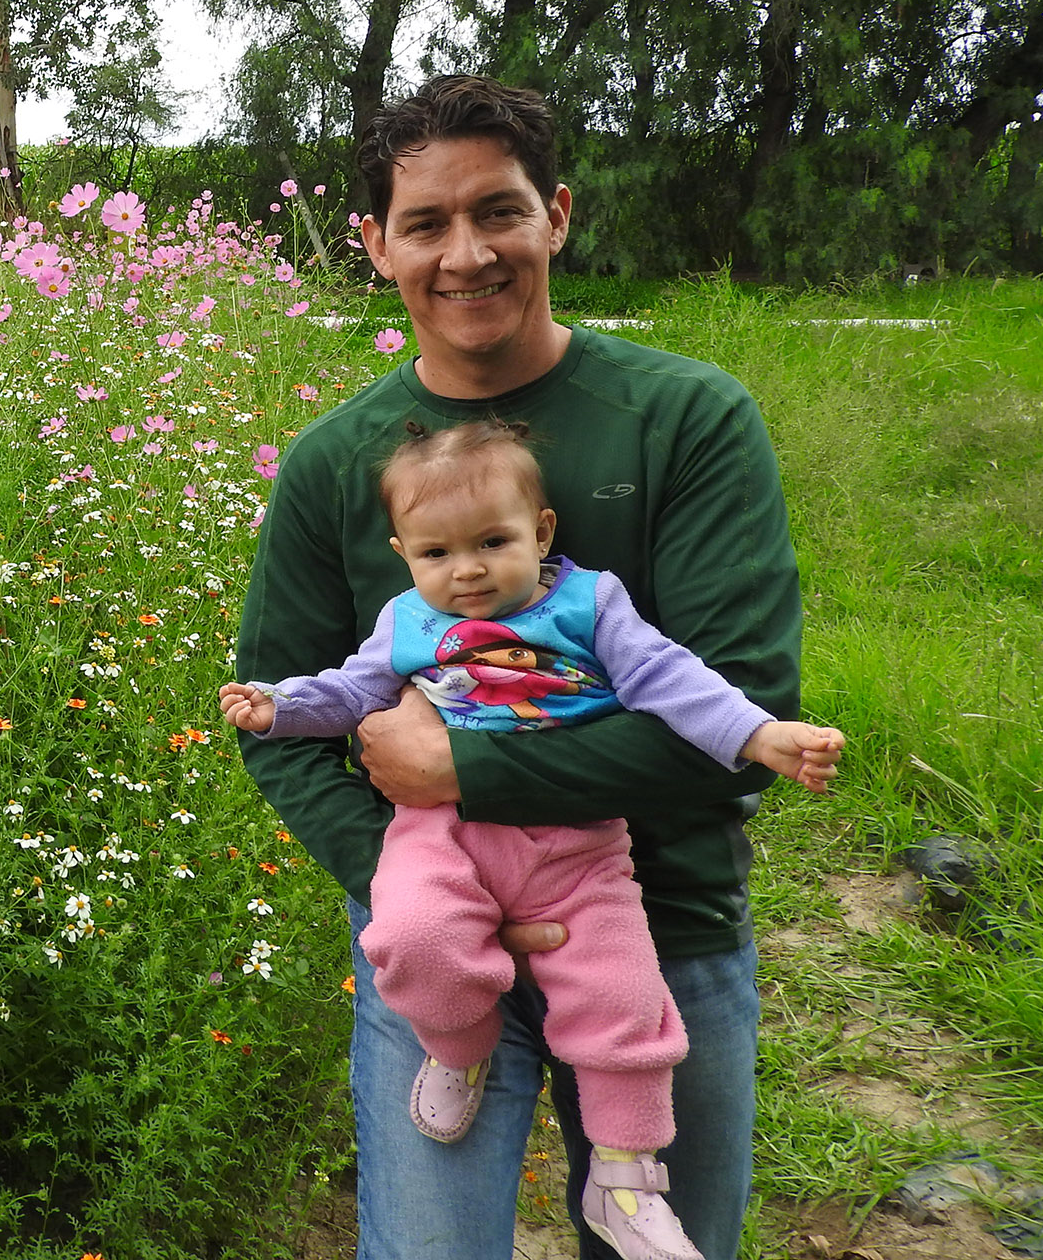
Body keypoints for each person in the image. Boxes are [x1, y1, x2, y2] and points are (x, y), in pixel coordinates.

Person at [234, 75, 809, 1260]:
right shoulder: (334, 463)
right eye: (425, 223)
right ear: (374, 244)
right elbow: (275, 717)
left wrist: (459, 773)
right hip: (436, 946)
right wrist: (412, 877)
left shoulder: (687, 419)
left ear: (555, 215)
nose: (466, 253)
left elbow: (736, 718)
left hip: (666, 927)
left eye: (497, 211)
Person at [221, 419, 843, 1260]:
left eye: (493, 543)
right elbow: (346, 692)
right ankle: (458, 1048)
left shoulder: (590, 605)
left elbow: (672, 680)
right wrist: (279, 704)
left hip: (577, 843)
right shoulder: (406, 622)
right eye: (437, 554)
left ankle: (625, 1179)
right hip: (440, 834)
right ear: (404, 553)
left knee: (626, 1002)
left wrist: (759, 736)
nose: (468, 570)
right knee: (410, 934)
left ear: (541, 532)